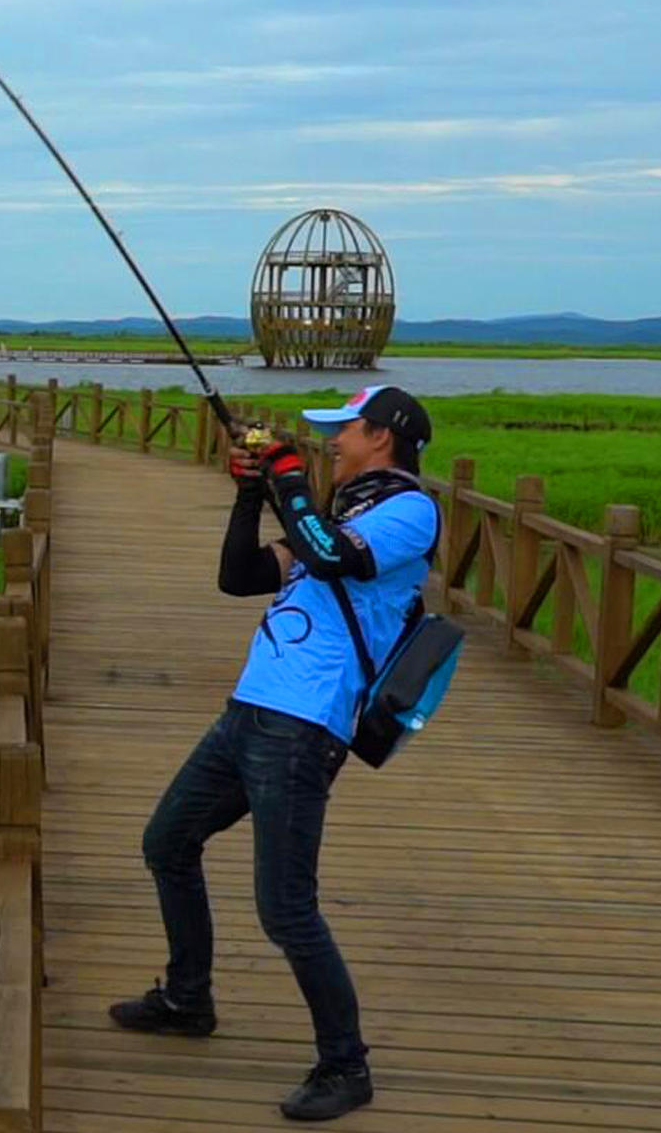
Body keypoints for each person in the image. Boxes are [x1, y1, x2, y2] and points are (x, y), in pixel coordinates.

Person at [108, 385, 439, 1122]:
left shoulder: (409, 513)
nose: (334, 439)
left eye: (344, 428)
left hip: (305, 726)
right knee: (168, 842)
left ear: (382, 436)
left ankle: (346, 1066)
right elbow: (240, 577)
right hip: (251, 710)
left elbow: (327, 559)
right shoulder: (344, 512)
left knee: (286, 909)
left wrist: (286, 470)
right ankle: (187, 999)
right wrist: (252, 492)